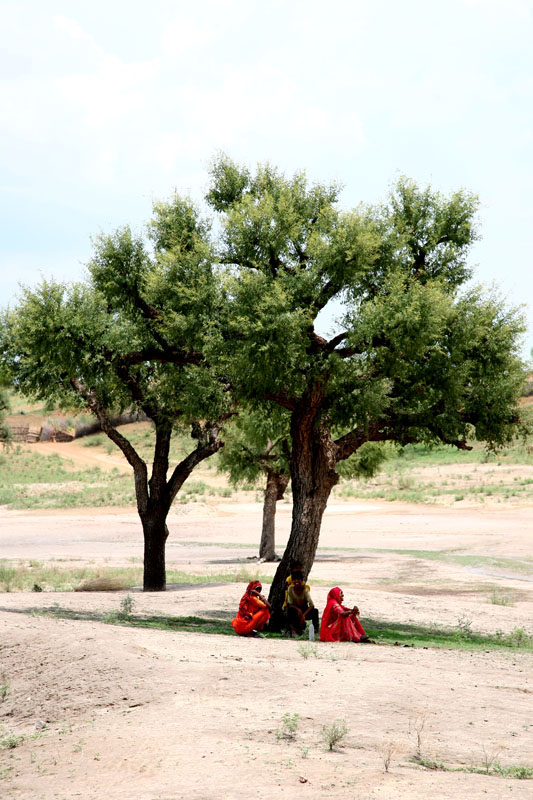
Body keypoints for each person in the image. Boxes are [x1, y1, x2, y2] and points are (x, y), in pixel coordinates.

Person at [285, 569, 319, 637]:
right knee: (289, 610)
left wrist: (303, 615)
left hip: (304, 610)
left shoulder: (305, 590)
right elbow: (290, 604)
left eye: (299, 579)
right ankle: (293, 630)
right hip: (295, 611)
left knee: (315, 611)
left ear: (302, 581)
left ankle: (315, 630)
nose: (297, 581)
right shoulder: (290, 589)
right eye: (295, 580)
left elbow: (312, 605)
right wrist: (298, 610)